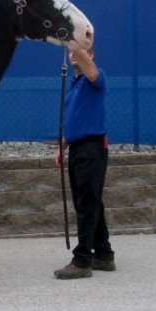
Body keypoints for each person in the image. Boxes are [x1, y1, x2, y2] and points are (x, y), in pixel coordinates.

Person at [54, 45, 115, 279]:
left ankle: (82, 260)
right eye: (71, 51)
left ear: (90, 57)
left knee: (87, 202)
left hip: (92, 147)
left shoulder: (95, 78)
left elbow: (90, 70)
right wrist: (63, 146)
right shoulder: (75, 86)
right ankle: (104, 253)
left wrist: (77, 41)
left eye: (79, 52)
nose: (72, 54)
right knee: (90, 202)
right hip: (78, 147)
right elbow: (73, 119)